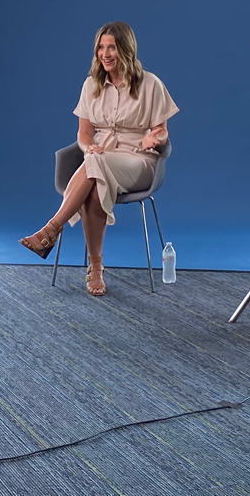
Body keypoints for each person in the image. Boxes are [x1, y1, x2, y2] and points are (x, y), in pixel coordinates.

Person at [19, 21, 179, 296]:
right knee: (94, 178)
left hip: (138, 161)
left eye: (112, 47)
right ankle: (95, 268)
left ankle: (51, 230)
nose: (105, 54)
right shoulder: (91, 85)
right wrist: (88, 146)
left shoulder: (150, 83)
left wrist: (156, 138)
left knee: (94, 165)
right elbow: (83, 134)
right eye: (101, 48)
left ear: (126, 50)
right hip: (101, 156)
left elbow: (161, 131)